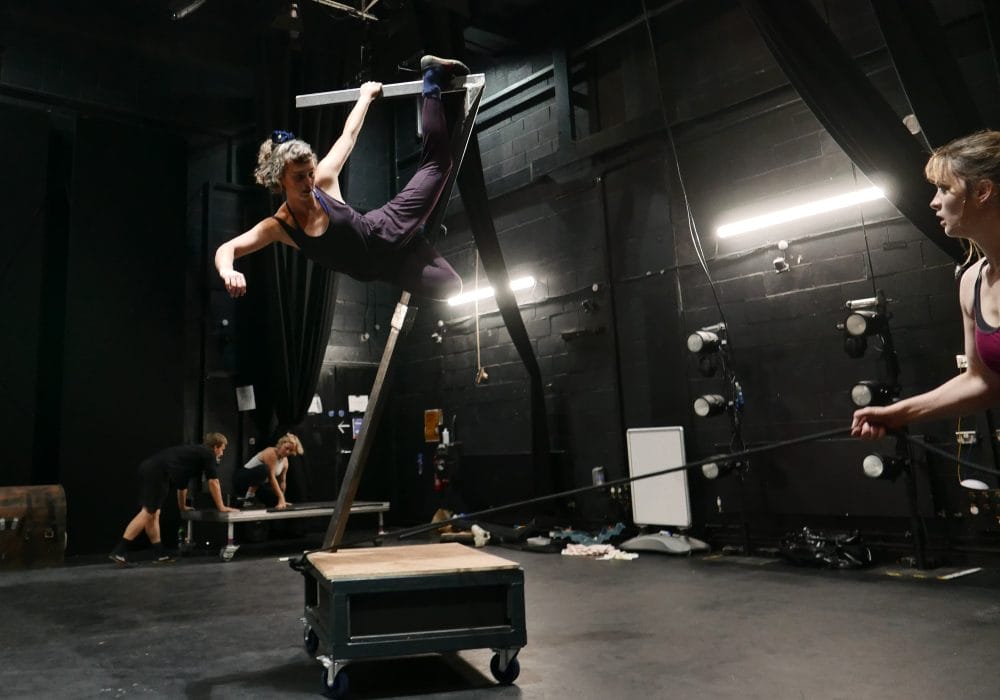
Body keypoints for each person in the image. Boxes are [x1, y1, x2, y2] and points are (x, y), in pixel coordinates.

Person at [214, 55, 469, 301]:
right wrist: (228, 271)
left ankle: (432, 79)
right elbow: (227, 249)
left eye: (310, 173)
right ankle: (416, 233)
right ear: (280, 179)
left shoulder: (323, 180)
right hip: (384, 268)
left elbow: (349, 136)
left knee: (439, 164)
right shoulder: (279, 226)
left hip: (385, 229)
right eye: (299, 177)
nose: (309, 183)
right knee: (450, 286)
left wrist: (364, 98)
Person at [852, 130, 1000, 439]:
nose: (934, 202)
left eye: (945, 189)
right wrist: (896, 414)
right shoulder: (972, 283)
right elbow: (981, 382)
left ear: (982, 191)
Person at [109, 432, 237, 565]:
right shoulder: (208, 454)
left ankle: (160, 555)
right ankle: (119, 551)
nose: (222, 453)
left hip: (150, 469)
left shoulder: (192, 457)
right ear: (215, 447)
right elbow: (213, 482)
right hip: (158, 472)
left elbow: (182, 486)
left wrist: (182, 507)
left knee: (153, 514)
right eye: (222, 449)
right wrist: (221, 507)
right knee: (148, 512)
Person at [234, 432, 304, 509]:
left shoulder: (285, 462)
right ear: (282, 444)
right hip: (241, 480)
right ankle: (248, 500)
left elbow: (282, 482)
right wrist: (280, 498)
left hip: (257, 485)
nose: (287, 452)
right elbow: (271, 477)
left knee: (274, 500)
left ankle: (251, 498)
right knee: (264, 469)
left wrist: (282, 499)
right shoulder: (271, 452)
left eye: (290, 450)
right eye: (286, 448)